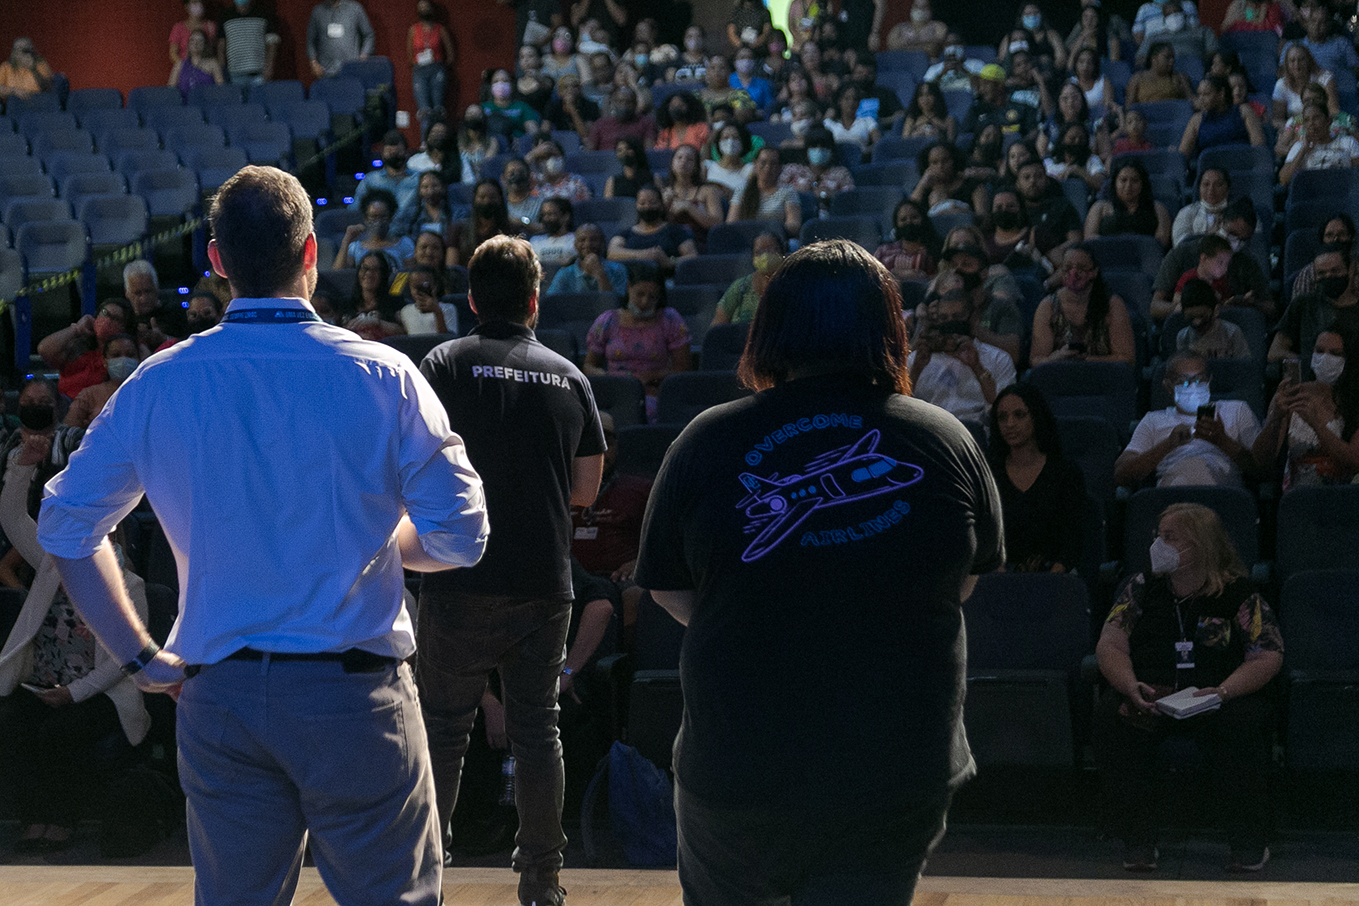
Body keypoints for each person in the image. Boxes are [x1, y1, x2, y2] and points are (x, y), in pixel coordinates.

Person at [37, 164, 488, 905]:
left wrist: (140, 658)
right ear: (311, 252)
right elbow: (461, 536)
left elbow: (64, 525)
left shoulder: (159, 381)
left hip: (222, 698)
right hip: (355, 699)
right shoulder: (385, 374)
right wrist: (383, 542)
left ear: (216, 260)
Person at [636, 238, 1003, 905]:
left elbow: (667, 587)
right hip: (895, 768)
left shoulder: (706, 438)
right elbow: (961, 584)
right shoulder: (947, 439)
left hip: (740, 762)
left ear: (770, 328)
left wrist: (755, 608)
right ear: (888, 328)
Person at [418, 235, 603, 906]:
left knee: (443, 732)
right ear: (534, 299)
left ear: (471, 299)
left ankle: (425, 879)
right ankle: (542, 882)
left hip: (458, 576)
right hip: (543, 579)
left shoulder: (443, 363)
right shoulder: (569, 376)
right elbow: (586, 490)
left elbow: (412, 462)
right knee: (536, 732)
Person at [1094, 503, 1281, 873]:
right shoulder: (1141, 587)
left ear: (1201, 544)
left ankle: (1247, 841)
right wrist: (1130, 685)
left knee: (1244, 722)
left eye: (1169, 538)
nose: (1158, 545)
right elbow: (1110, 644)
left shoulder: (1239, 593)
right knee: (1113, 716)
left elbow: (1267, 654)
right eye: (1157, 537)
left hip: (1218, 696)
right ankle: (1138, 839)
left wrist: (1222, 692)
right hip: (1153, 694)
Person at [0, 426, 149, 854]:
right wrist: (22, 468)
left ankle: (61, 820)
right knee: (11, 724)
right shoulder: (52, 563)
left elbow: (124, 659)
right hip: (40, 684)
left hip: (98, 694)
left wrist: (73, 693)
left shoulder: (130, 586)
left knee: (61, 733)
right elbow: (13, 520)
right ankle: (33, 819)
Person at [1115, 352, 1262, 486]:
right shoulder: (1153, 420)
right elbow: (1121, 474)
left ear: (1209, 381)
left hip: (1222, 498)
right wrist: (1168, 445)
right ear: (1168, 386)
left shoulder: (1237, 410)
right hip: (1173, 500)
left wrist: (1223, 441)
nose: (1193, 387)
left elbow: (1261, 469)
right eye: (1183, 382)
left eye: (1199, 380)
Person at [988, 383, 1086, 573]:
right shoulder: (988, 474)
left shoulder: (1065, 472)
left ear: (1036, 417)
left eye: (1019, 415)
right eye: (1002, 417)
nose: (1010, 424)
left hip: (1055, 577)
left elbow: (1074, 538)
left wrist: (1051, 578)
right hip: (1001, 578)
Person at [1253, 327, 1359, 488]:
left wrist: (1316, 424)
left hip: (1341, 494)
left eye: (1334, 353)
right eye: (1319, 351)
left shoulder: (1355, 402)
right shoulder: (1292, 394)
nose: (1325, 358)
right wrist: (1276, 417)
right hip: (1297, 494)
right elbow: (1261, 461)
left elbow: (1355, 460)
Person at [585, 263, 692, 420]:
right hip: (614, 394)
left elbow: (683, 369)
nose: (644, 302)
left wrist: (651, 377)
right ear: (629, 288)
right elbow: (588, 366)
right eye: (640, 294)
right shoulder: (608, 320)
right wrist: (608, 377)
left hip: (655, 394)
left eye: (652, 297)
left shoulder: (670, 319)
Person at [908, 289, 1018, 430]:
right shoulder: (917, 359)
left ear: (973, 318)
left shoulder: (998, 359)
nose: (951, 324)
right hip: (931, 431)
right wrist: (917, 369)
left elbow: (1004, 408)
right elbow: (901, 404)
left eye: (957, 317)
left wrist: (977, 367)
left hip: (976, 431)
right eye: (944, 318)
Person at [1152, 199, 1272, 319]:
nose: (1235, 244)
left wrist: (1252, 304)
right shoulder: (1182, 253)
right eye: (1232, 234)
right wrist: (1186, 309)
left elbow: (1270, 306)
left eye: (1242, 240)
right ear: (1219, 221)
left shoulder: (1246, 262)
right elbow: (1155, 306)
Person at [1030, 243, 1136, 366]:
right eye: (1067, 267)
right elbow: (1036, 360)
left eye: (1081, 268)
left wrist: (1084, 361)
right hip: (1060, 374)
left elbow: (1127, 359)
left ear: (1094, 272)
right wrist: (1055, 359)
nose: (1073, 273)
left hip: (1102, 375)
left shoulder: (1112, 304)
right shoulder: (1048, 306)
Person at [1270, 243, 1359, 372]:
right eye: (1322, 273)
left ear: (1350, 270)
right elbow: (1275, 351)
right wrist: (1308, 363)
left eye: (1335, 271)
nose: (1328, 277)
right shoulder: (1303, 304)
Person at [36, 300, 135, 401]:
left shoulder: (124, 356)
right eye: (105, 313)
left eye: (116, 319)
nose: (108, 320)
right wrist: (77, 328)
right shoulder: (76, 347)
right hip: (67, 406)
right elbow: (44, 350)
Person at [608, 186, 698, 275]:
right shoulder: (625, 233)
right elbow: (612, 252)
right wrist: (643, 254)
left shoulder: (676, 230)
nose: (647, 206)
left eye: (653, 202)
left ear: (661, 205)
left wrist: (669, 261)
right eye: (642, 203)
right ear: (636, 206)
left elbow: (692, 256)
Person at [1085, 159, 1172, 248]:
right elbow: (1090, 238)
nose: (1128, 186)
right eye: (1123, 180)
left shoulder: (1157, 208)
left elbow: (1161, 242)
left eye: (1135, 180)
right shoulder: (1100, 208)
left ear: (1142, 183)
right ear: (1115, 182)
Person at [63, 335, 140, 430]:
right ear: (105, 361)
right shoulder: (89, 395)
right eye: (116, 355)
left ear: (138, 360)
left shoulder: (148, 393)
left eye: (130, 355)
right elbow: (67, 430)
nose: (123, 360)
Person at [1179, 75, 1266, 159]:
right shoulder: (1196, 120)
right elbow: (1182, 154)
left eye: (1206, 94)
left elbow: (1258, 145)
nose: (1201, 99)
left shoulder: (1244, 111)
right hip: (1212, 165)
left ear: (1221, 94)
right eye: (1199, 94)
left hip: (1242, 163)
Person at [712, 231, 785, 326]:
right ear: (753, 258)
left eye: (771, 250)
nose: (765, 255)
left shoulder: (793, 286)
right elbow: (716, 328)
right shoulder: (740, 288)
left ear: (782, 254)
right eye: (759, 252)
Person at [1279, 99, 1359, 183]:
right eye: (1306, 120)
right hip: (1312, 190)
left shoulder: (1348, 142)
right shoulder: (1299, 147)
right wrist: (1303, 150)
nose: (1311, 123)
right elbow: (1284, 180)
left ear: (1329, 121)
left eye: (1316, 118)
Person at [728, 146, 801, 237]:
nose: (767, 168)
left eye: (773, 164)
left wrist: (773, 229)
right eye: (763, 162)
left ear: (780, 168)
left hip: (776, 238)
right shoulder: (742, 190)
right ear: (755, 164)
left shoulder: (788, 191)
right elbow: (731, 222)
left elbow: (794, 224)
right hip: (746, 237)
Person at [663, 144, 725, 250]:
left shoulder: (708, 191)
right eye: (679, 158)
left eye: (690, 159)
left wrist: (690, 207)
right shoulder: (664, 192)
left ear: (696, 166)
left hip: (701, 244)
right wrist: (665, 205)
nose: (683, 162)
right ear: (672, 163)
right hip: (670, 244)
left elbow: (718, 223)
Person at [337, 190, 416, 272]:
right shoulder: (355, 248)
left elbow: (410, 274)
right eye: (373, 217)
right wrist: (346, 240)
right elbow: (338, 273)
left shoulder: (404, 244)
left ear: (390, 218)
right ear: (366, 219)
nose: (378, 221)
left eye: (383, 217)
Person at [409, 0, 455, 136]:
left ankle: (440, 138)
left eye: (426, 6)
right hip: (419, 70)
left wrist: (440, 66)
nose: (424, 9)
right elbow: (410, 54)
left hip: (436, 69)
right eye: (421, 7)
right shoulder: (413, 30)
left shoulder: (440, 29)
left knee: (438, 109)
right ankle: (425, 141)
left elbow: (450, 54)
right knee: (424, 110)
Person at [1175, 278, 1252, 359]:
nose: (1196, 322)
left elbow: (1244, 364)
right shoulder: (1184, 337)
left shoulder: (1232, 333)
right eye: (1191, 318)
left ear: (1215, 311)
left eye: (1202, 316)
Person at [451, 179, 518, 267]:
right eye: (482, 197)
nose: (487, 201)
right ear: (475, 199)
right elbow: (452, 266)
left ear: (500, 199)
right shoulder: (458, 229)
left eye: (492, 197)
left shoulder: (512, 230)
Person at [911, 140, 988, 216]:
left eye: (945, 161)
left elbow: (983, 217)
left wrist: (961, 211)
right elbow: (910, 211)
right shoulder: (924, 189)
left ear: (954, 161)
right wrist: (922, 184)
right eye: (934, 162)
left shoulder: (973, 186)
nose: (940, 166)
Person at [964, 64, 1040, 139]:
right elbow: (965, 136)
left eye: (986, 84)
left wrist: (1019, 143)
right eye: (980, 85)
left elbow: (1034, 131)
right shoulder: (977, 110)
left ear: (999, 85)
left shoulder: (1020, 106)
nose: (981, 90)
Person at [1272, 43, 1338, 129]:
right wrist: (1295, 128)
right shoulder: (1281, 85)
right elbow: (1277, 119)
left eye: (1301, 59)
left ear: (1308, 61)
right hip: (1294, 131)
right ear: (1287, 64)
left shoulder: (1323, 79)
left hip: (1324, 128)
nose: (1297, 65)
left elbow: (1334, 111)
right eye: (1292, 61)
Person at [1290, 214, 1355, 300]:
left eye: (1342, 234)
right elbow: (1302, 306)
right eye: (1329, 235)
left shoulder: (1356, 267)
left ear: (1351, 237)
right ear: (1322, 239)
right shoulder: (1308, 273)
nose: (1335, 239)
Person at [548, 223, 627, 294]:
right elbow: (550, 300)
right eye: (582, 240)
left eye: (594, 240)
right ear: (575, 245)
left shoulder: (618, 269)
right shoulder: (564, 274)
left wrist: (600, 274)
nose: (588, 244)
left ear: (603, 243)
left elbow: (616, 302)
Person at [874, 198, 939, 283]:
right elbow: (873, 276)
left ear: (923, 219)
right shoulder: (883, 251)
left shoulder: (934, 251)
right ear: (896, 224)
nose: (909, 222)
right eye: (903, 219)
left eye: (914, 217)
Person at [220, 0, 282, 86]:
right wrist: (222, 70)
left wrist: (269, 67)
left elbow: (272, 43)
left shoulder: (264, 14)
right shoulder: (225, 16)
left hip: (258, 73)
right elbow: (221, 45)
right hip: (234, 74)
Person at [307, 0, 375, 78]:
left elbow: (369, 34)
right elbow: (310, 40)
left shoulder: (355, 8)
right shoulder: (317, 11)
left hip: (351, 70)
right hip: (325, 71)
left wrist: (363, 56)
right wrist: (313, 62)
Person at [1172, 234, 1236, 308]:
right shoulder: (1189, 277)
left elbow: (1226, 301)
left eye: (1227, 264)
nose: (1225, 268)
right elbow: (1176, 298)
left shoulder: (1222, 281)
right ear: (1204, 258)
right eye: (1220, 262)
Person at [1172, 167, 1231, 247]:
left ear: (1227, 189)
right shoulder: (1186, 212)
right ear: (1199, 188)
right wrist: (1210, 236)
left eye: (1218, 185)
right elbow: (1180, 245)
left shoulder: (1236, 214)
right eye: (1206, 184)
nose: (1211, 190)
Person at [588, 86, 657, 152]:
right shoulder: (600, 124)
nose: (624, 105)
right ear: (614, 103)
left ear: (635, 104)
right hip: (606, 159)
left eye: (629, 102)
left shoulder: (646, 123)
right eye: (620, 101)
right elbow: (589, 153)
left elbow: (649, 151)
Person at [1123, 42, 1193, 105]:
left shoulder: (1179, 77)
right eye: (1167, 57)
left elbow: (1190, 100)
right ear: (1154, 59)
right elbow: (1129, 106)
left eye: (1173, 58)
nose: (1172, 61)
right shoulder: (1137, 79)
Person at [484, 69, 543, 142]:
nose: (500, 84)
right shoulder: (484, 108)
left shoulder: (522, 106)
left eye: (505, 81)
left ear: (511, 85)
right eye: (496, 81)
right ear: (491, 86)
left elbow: (533, 131)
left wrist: (525, 142)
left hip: (517, 144)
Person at [398, 265, 459, 335]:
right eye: (415, 287)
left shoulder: (448, 309)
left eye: (424, 286)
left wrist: (438, 312)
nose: (419, 291)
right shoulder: (406, 311)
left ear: (435, 286)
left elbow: (448, 337)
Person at [170, 28, 225, 99]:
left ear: (205, 44)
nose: (195, 44)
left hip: (207, 102)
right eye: (192, 40)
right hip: (185, 103)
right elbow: (170, 89)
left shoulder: (213, 63)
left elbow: (221, 89)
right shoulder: (179, 64)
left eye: (200, 41)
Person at [704, 121, 755, 196]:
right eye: (725, 138)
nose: (730, 141)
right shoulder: (707, 166)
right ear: (719, 142)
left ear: (743, 142)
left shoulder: (750, 169)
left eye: (735, 138)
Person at [530, 197, 578, 267]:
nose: (546, 218)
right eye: (544, 215)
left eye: (551, 214)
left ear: (566, 217)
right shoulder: (535, 241)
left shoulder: (576, 240)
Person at [170, 0, 219, 67]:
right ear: (187, 6)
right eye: (194, 2)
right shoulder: (178, 27)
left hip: (205, 68)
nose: (198, 6)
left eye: (200, 2)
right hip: (185, 67)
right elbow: (173, 53)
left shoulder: (211, 26)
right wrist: (185, 66)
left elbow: (215, 51)